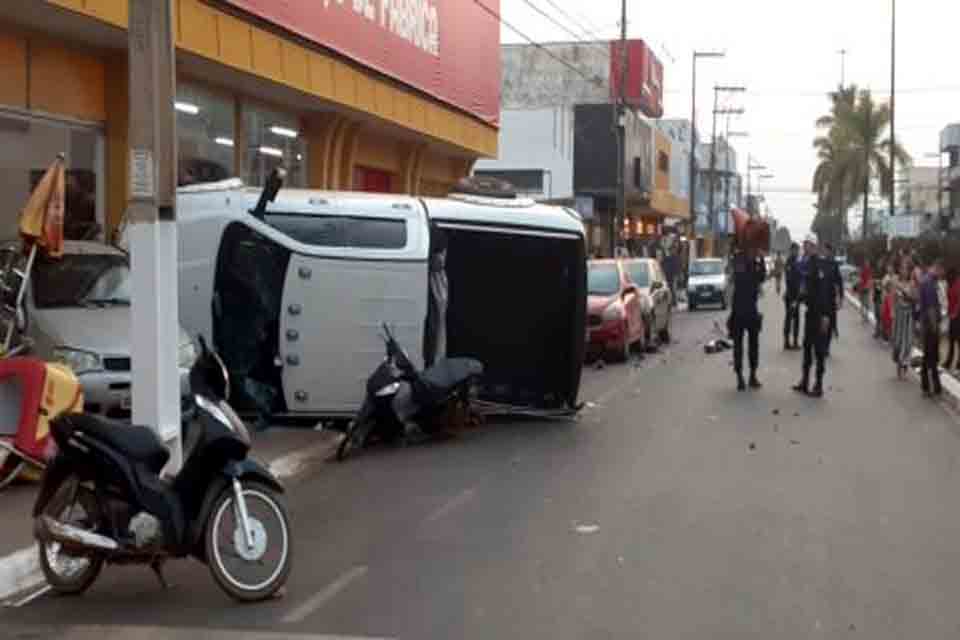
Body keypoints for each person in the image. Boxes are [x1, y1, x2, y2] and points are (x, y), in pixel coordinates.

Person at [793, 236, 833, 398]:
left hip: (820, 314)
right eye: (804, 245)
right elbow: (807, 289)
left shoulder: (820, 265)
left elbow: (824, 293)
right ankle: (804, 381)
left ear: (815, 247)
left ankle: (818, 385)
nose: (805, 248)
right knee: (807, 348)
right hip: (810, 313)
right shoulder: (808, 264)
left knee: (819, 351)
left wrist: (825, 316)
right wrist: (799, 300)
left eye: (808, 245)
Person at [729, 243, 766, 391]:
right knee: (738, 346)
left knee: (754, 345)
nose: (754, 251)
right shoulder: (739, 260)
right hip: (738, 309)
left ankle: (752, 375)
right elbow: (738, 276)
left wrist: (761, 260)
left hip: (751, 310)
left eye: (755, 249)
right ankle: (739, 376)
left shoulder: (757, 263)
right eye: (753, 248)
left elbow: (762, 277)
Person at [919, 258, 944, 397]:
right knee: (930, 356)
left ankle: (931, 386)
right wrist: (936, 327)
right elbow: (930, 308)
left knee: (929, 356)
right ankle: (930, 386)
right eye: (941, 271)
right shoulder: (929, 283)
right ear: (936, 268)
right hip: (930, 326)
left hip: (927, 324)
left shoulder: (927, 281)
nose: (941, 274)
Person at [892, 255, 917, 379]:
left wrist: (907, 294)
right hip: (898, 315)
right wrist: (892, 312)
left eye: (906, 269)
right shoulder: (895, 282)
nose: (904, 271)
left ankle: (904, 363)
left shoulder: (912, 284)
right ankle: (898, 360)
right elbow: (893, 298)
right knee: (897, 341)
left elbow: (915, 299)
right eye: (902, 268)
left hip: (908, 315)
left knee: (907, 341)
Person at [822, 243, 843, 357]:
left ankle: (826, 347)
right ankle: (822, 345)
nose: (825, 252)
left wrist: (840, 298)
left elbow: (839, 282)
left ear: (830, 251)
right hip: (822, 298)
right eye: (824, 250)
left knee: (829, 324)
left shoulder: (834, 265)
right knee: (822, 324)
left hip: (830, 298)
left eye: (827, 251)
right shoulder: (821, 263)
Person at [783, 242, 803, 350]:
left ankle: (793, 341)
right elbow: (790, 280)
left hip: (794, 296)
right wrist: (794, 299)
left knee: (793, 319)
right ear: (792, 250)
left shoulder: (795, 262)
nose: (797, 252)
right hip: (792, 296)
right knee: (791, 319)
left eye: (797, 250)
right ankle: (788, 342)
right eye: (795, 250)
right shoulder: (790, 262)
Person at [942, 267, 960, 372]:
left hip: (958, 316)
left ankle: (958, 364)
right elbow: (949, 301)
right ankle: (948, 362)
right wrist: (949, 314)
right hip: (952, 316)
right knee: (951, 340)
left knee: (958, 340)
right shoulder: (950, 284)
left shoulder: (958, 283)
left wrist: (955, 314)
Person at [858, 259, 874, 324]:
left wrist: (868, 286)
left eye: (868, 263)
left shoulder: (868, 270)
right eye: (866, 263)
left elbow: (870, 279)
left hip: (865, 289)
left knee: (866, 303)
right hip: (862, 289)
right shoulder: (863, 270)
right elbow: (861, 279)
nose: (867, 264)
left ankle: (865, 316)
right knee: (863, 303)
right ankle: (863, 316)